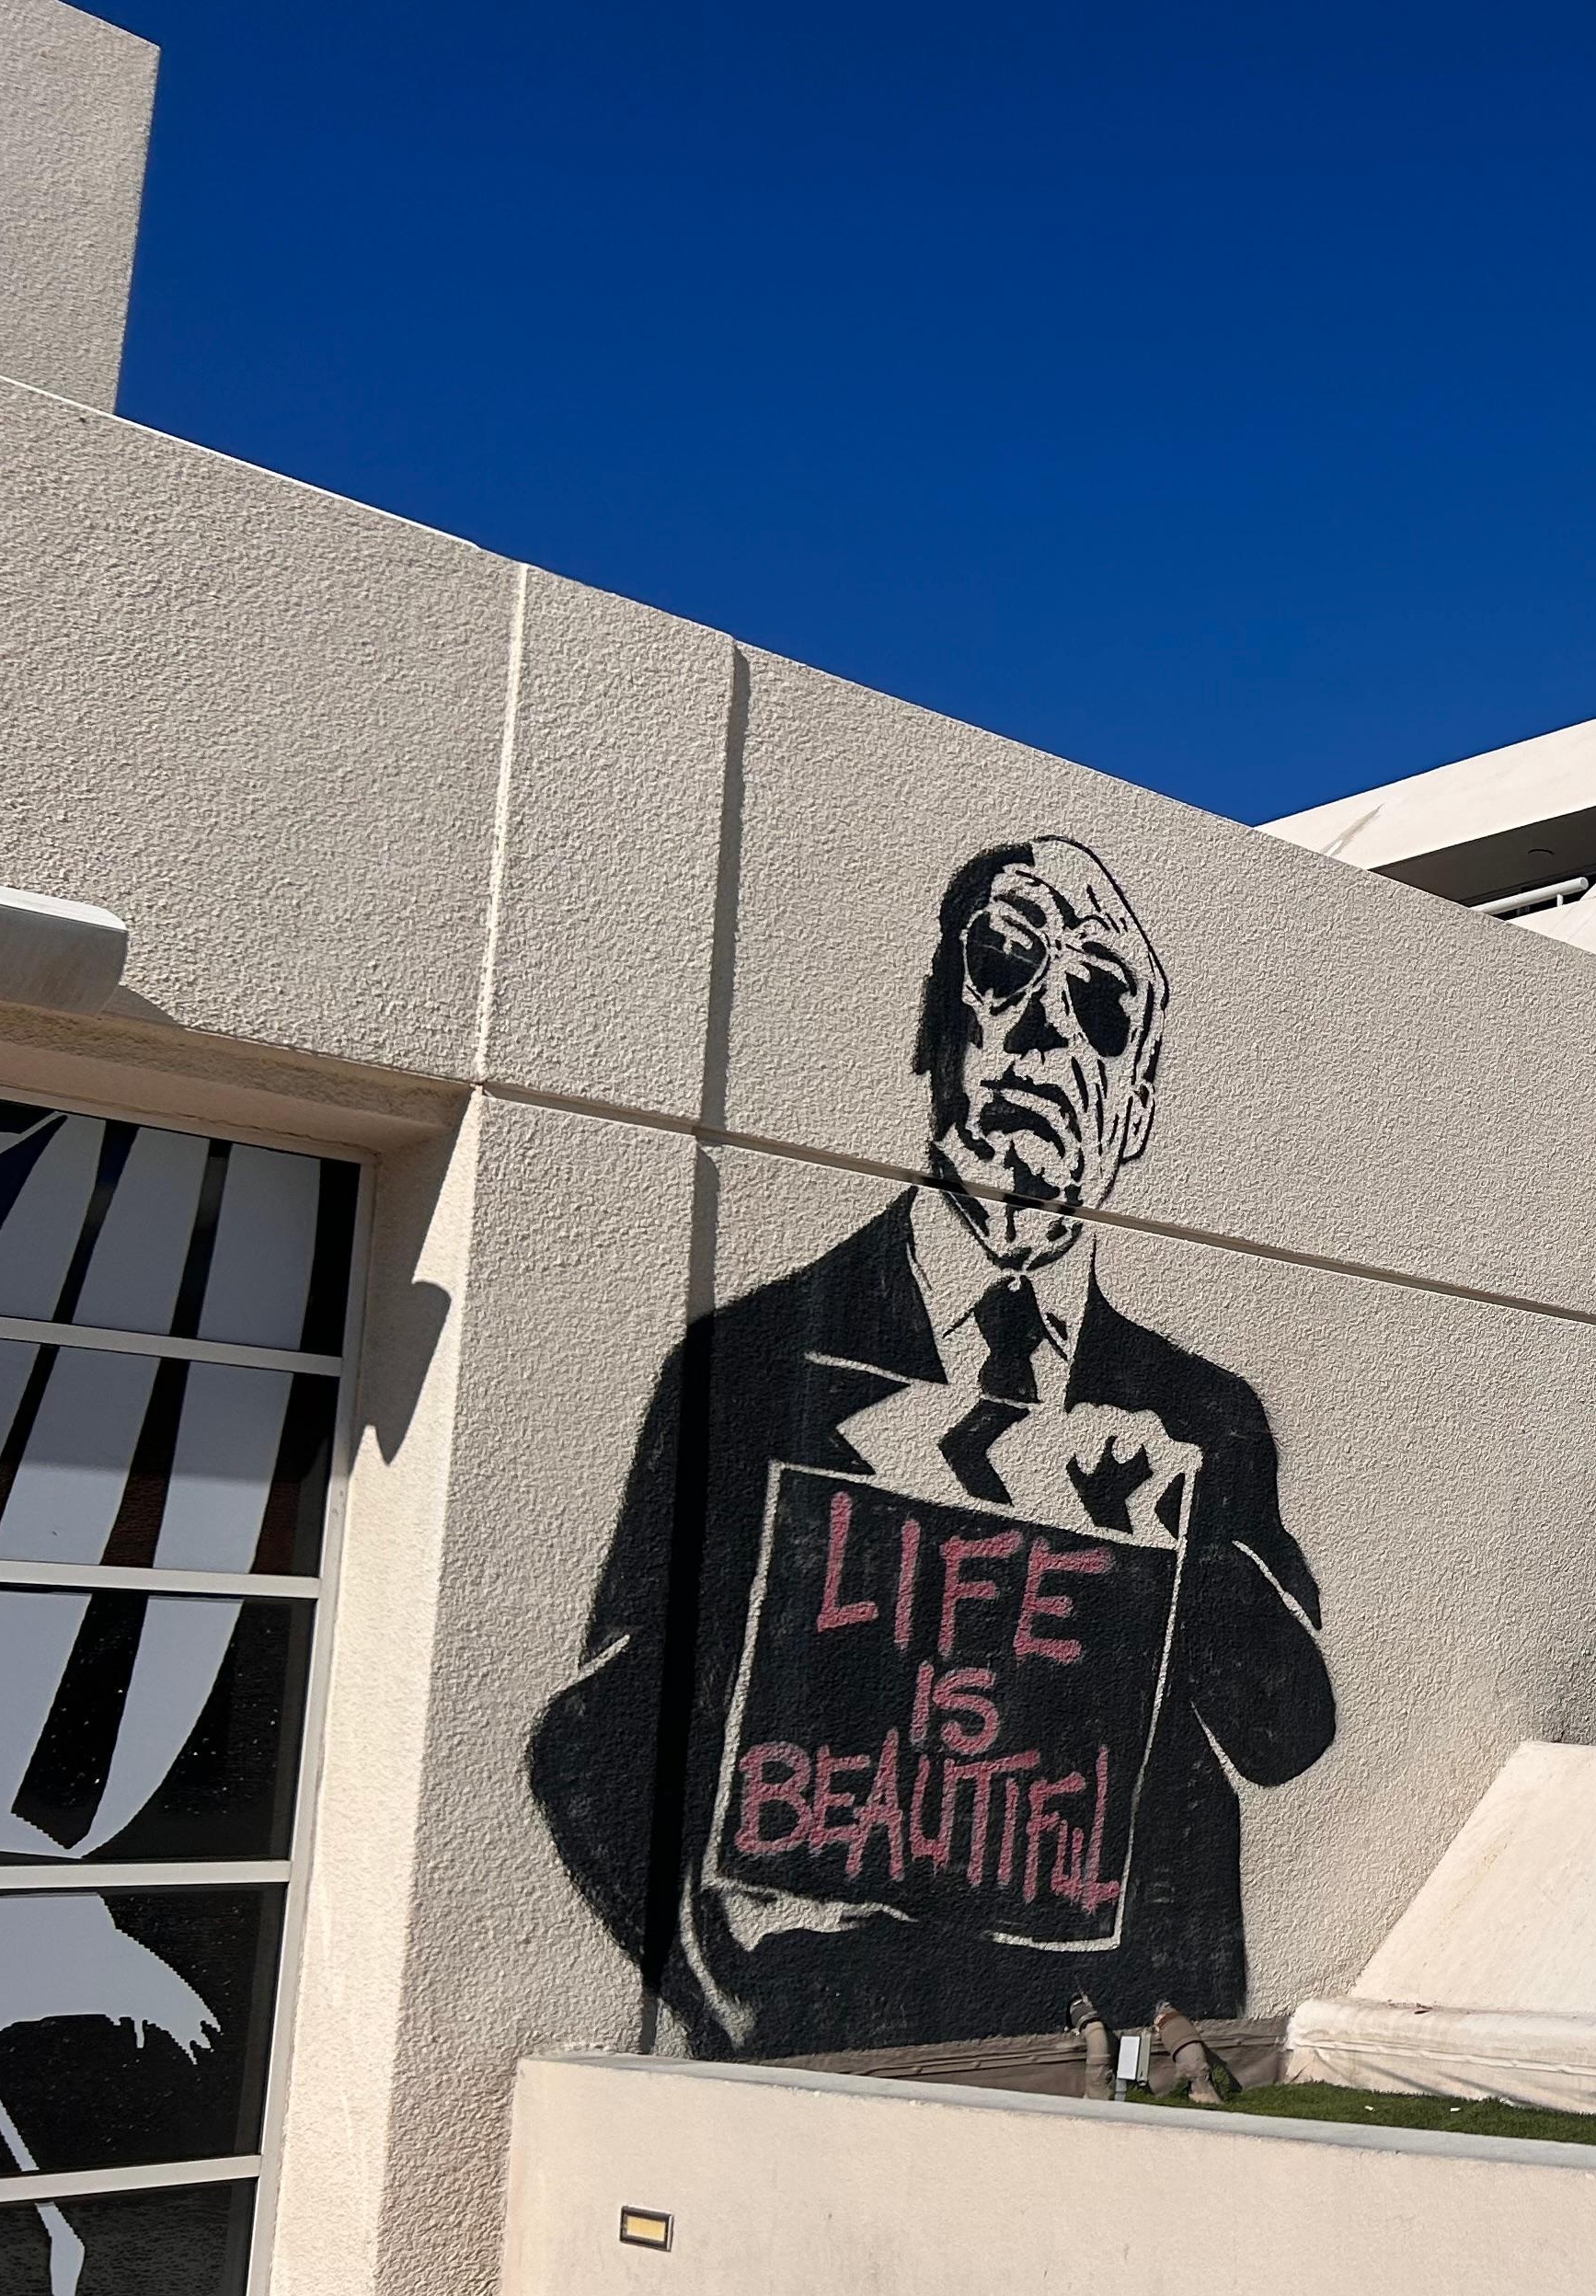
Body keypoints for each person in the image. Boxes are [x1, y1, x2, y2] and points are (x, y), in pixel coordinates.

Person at [527, 837, 1332, 2058]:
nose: (1044, 1031)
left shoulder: (1205, 1418)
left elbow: (1285, 1740)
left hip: (1112, 2068)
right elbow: (591, 1741)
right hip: (834, 2047)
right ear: (934, 1024)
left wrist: (1190, 1544)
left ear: (1141, 1107)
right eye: (1004, 969)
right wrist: (734, 1999)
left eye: (1098, 1004)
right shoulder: (753, 1363)